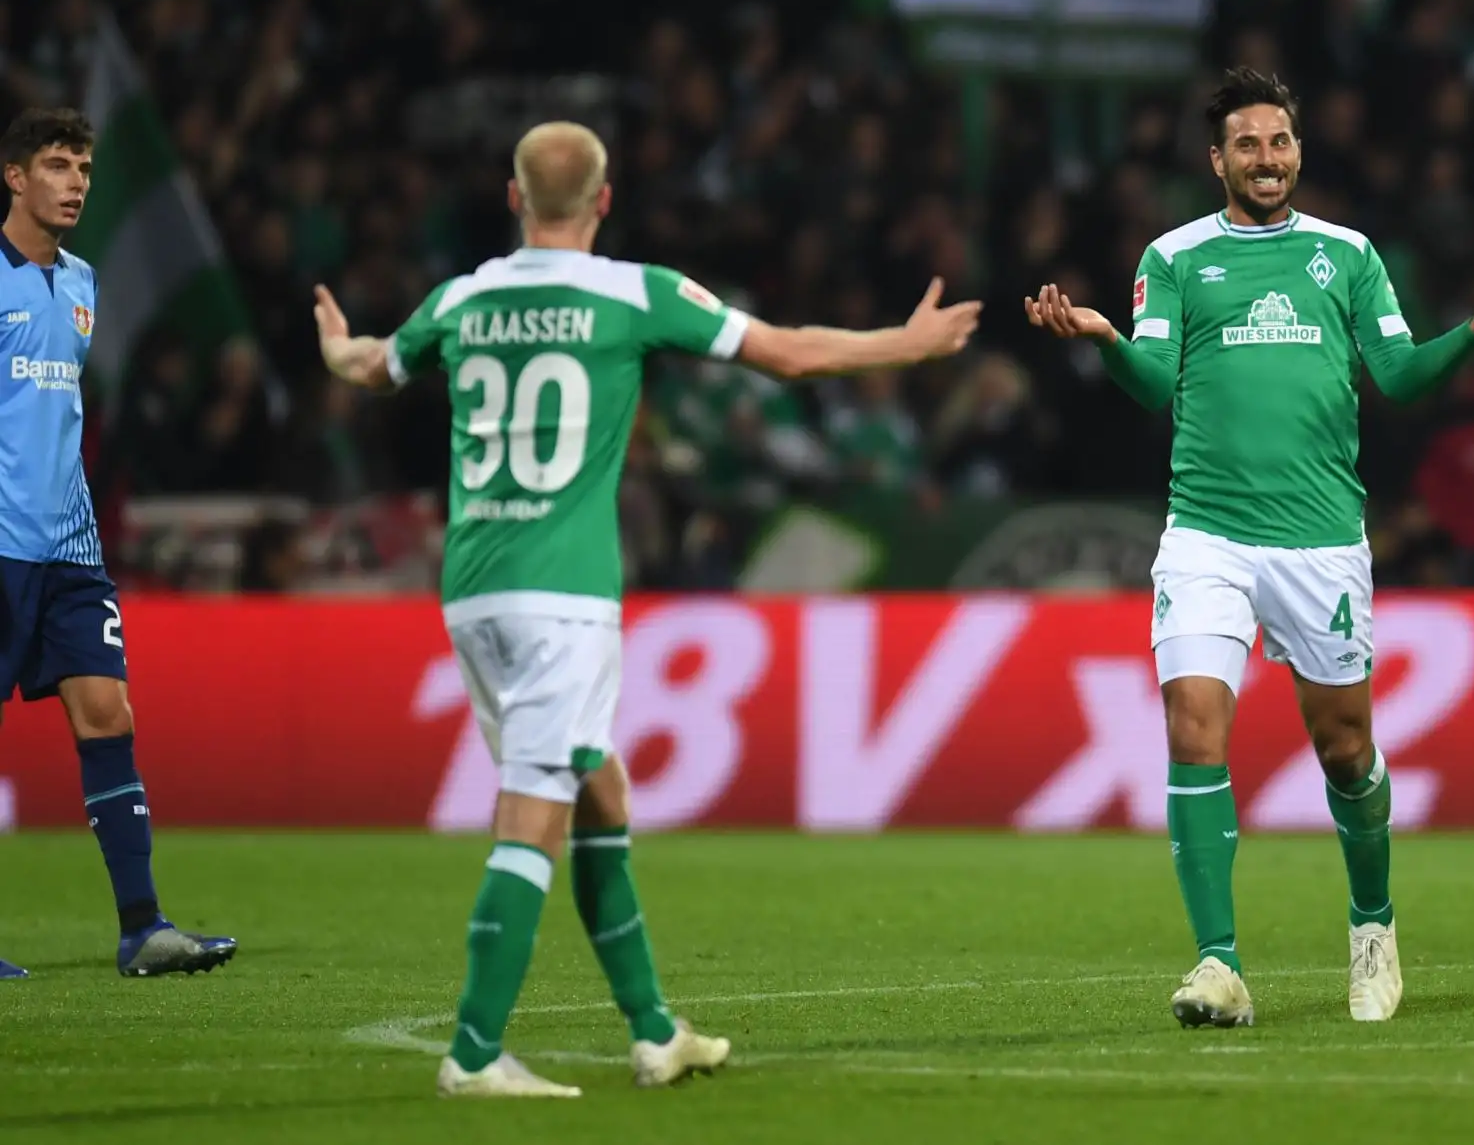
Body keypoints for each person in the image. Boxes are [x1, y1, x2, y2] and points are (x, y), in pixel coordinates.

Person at [314, 121, 979, 1096]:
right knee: (533, 815)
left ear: (513, 197)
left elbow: (373, 368)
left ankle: (655, 1031)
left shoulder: (462, 298)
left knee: (600, 792)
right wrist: (906, 345)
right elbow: (788, 356)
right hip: (562, 597)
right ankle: (473, 1051)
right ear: (606, 200)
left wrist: (335, 347)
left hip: (472, 591)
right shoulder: (634, 294)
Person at [1023, 69, 1474, 1027]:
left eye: (1278, 142)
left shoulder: (1348, 255)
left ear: (1298, 152)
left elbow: (1399, 375)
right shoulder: (1176, 257)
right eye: (1247, 144)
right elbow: (1154, 383)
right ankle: (1218, 964)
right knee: (1193, 729)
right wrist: (1105, 338)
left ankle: (1372, 924)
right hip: (1206, 535)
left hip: (1321, 543)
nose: (1266, 159)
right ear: (1216, 160)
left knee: (1345, 749)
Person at [0, 107, 237, 980]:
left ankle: (144, 927)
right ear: (14, 176)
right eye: (57, 165)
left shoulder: (86, 282)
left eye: (85, 168)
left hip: (70, 549)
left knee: (109, 715)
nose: (75, 183)